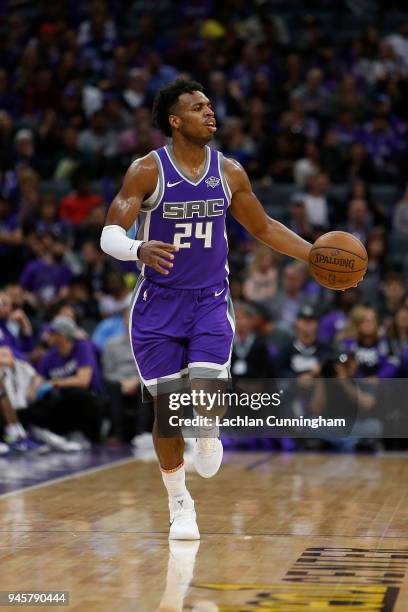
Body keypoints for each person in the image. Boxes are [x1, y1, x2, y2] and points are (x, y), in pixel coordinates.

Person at [100, 79, 313, 541]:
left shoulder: (230, 171)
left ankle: (209, 431)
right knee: (165, 414)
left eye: (211, 107)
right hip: (157, 306)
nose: (210, 113)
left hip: (210, 299)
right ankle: (179, 502)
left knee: (205, 385)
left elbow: (265, 227)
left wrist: (312, 254)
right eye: (198, 108)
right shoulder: (146, 171)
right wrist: (137, 248)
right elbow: (109, 234)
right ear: (175, 121)